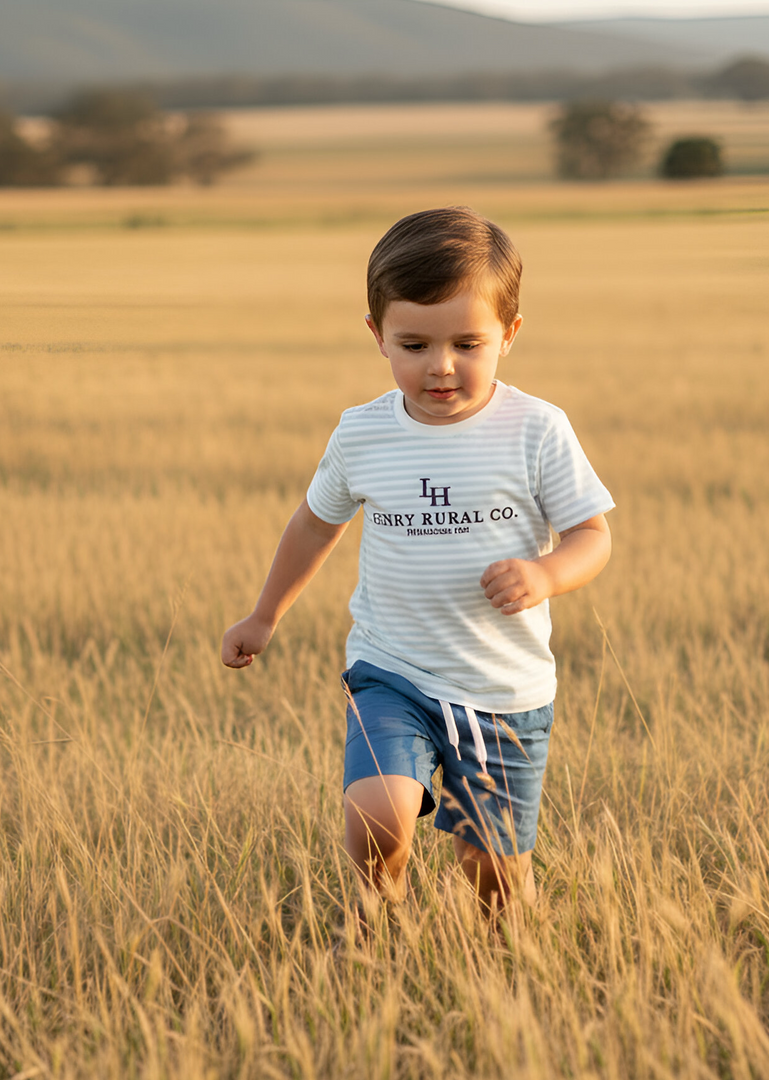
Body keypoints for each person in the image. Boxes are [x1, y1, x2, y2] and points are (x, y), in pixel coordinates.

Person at [222, 207, 614, 918]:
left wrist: (547, 574)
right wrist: (263, 616)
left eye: (468, 343)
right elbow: (314, 525)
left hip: (504, 690)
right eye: (414, 344)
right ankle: (378, 928)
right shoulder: (363, 433)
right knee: (377, 817)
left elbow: (593, 534)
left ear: (510, 334)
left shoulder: (536, 430)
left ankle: (506, 951)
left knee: (492, 872)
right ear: (377, 335)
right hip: (391, 672)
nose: (441, 365)